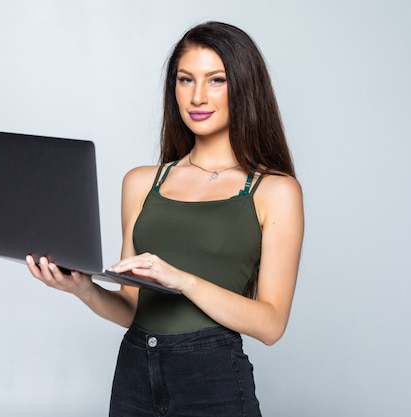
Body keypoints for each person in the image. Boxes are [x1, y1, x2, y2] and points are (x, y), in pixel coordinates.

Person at [26, 21, 304, 417]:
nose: (197, 96)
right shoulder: (142, 182)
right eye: (185, 79)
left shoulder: (275, 191)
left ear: (244, 87)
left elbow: (272, 324)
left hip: (213, 379)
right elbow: (131, 309)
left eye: (216, 80)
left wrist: (182, 280)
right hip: (135, 373)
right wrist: (82, 288)